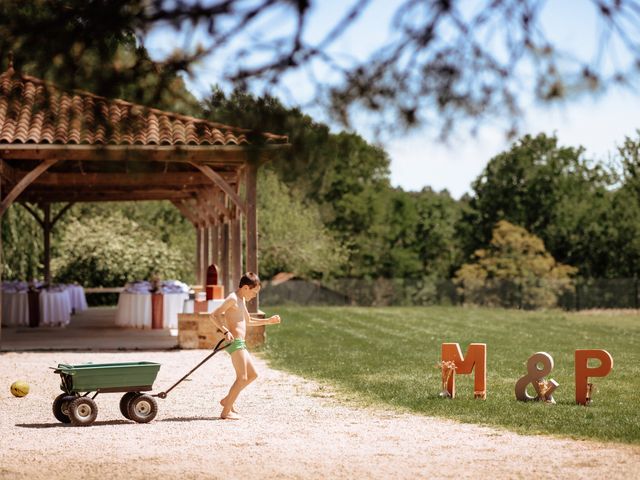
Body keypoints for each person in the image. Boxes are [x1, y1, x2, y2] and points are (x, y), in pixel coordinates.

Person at [209, 272, 281, 420]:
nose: (254, 296)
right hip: (235, 342)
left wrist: (269, 321)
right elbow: (214, 315)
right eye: (254, 292)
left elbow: (248, 321)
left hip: (241, 343)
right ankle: (226, 411)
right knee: (242, 377)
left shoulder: (241, 299)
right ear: (246, 288)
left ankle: (227, 400)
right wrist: (226, 331)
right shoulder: (233, 298)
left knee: (253, 375)